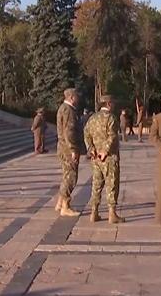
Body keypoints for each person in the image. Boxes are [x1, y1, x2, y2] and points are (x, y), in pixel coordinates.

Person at [84, 95, 125, 223]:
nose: (113, 105)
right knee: (111, 183)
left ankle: (94, 212)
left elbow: (86, 135)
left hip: (95, 158)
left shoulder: (92, 118)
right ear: (108, 104)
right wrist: (105, 151)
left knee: (96, 184)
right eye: (112, 103)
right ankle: (112, 214)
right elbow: (112, 136)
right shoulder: (111, 118)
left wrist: (91, 149)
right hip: (109, 157)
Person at [55, 88, 83, 217]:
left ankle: (60, 202)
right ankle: (65, 206)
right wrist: (73, 149)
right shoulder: (69, 110)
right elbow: (69, 132)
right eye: (77, 96)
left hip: (63, 147)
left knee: (66, 175)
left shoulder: (63, 108)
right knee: (71, 177)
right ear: (72, 97)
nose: (78, 98)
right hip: (67, 149)